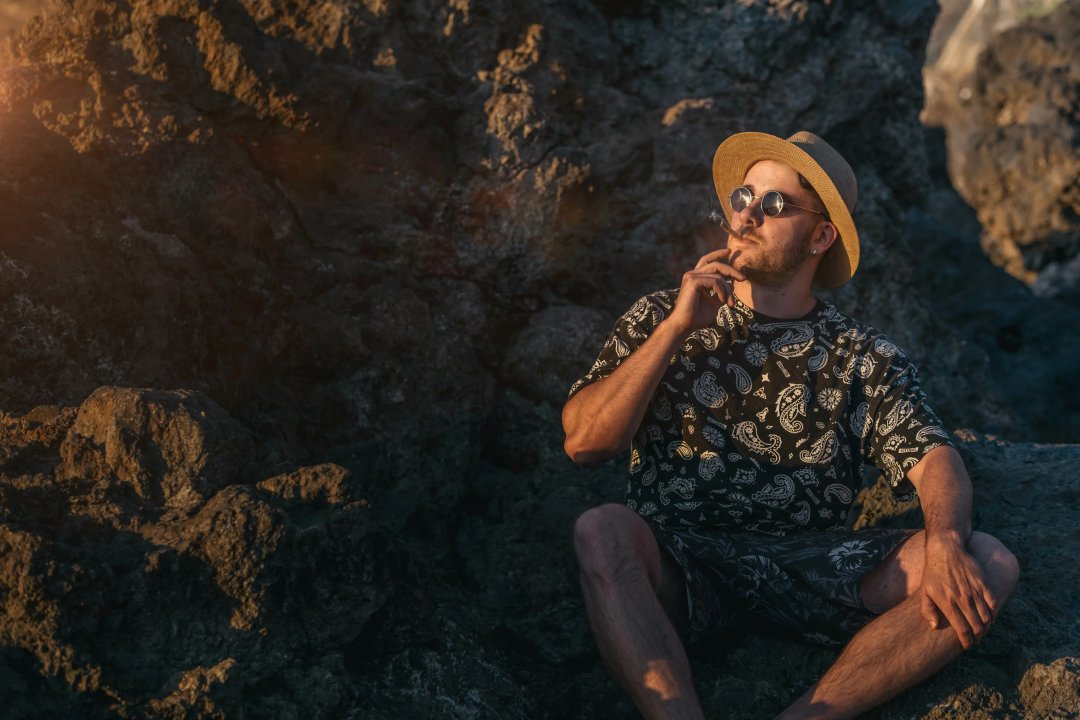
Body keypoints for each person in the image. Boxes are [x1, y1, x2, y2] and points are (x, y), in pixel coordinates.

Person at [561, 131, 1020, 720]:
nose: (747, 213)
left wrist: (948, 543)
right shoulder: (660, 317)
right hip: (681, 561)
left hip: (811, 567)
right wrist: (676, 331)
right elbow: (583, 444)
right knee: (602, 528)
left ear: (820, 236)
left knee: (989, 561)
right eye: (743, 196)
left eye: (775, 205)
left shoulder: (859, 354)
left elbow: (933, 456)